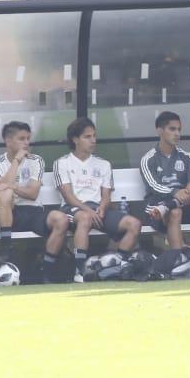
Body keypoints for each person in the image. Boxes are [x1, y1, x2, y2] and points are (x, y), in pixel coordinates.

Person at [54, 117, 143, 276]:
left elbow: (106, 195)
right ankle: (80, 271)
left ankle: (116, 265)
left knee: (134, 224)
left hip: (97, 210)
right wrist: (89, 210)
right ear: (75, 139)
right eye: (87, 137)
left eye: (94, 136)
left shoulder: (104, 164)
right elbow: (68, 196)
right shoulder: (62, 163)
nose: (93, 140)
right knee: (85, 218)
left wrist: (102, 207)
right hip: (73, 209)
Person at [0, 121, 71, 283]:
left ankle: (47, 271)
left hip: (33, 212)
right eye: (22, 139)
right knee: (6, 194)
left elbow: (32, 194)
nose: (27, 143)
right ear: (9, 141)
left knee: (61, 219)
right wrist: (16, 162)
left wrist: (11, 185)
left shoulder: (36, 160)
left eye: (28, 139)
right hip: (8, 211)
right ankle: (6, 250)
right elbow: (2, 188)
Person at [139, 110, 190, 270]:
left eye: (179, 129)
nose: (177, 133)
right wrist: (175, 193)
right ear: (160, 131)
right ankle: (178, 261)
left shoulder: (187, 157)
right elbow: (153, 186)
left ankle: (181, 250)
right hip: (157, 210)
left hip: (184, 204)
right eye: (172, 129)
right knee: (175, 212)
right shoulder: (148, 159)